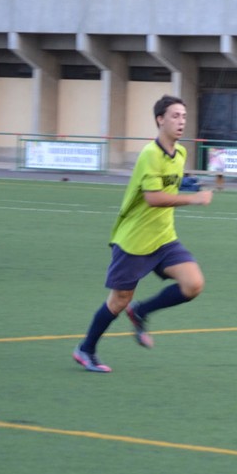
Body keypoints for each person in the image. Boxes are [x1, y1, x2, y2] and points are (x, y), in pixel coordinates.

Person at [72, 95, 212, 373]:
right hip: (134, 241)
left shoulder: (180, 153)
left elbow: (170, 183)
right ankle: (86, 349)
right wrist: (193, 199)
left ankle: (141, 311)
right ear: (160, 120)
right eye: (175, 116)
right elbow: (153, 198)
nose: (181, 121)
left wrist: (189, 185)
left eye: (184, 116)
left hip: (164, 238)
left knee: (193, 284)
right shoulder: (150, 154)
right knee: (118, 301)